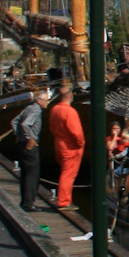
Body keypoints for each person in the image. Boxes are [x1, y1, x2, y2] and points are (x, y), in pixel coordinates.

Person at [47, 82, 85, 211]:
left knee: (64, 172)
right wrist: (81, 143)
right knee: (68, 174)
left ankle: (65, 199)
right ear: (69, 95)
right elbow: (76, 132)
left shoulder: (54, 109)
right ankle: (64, 201)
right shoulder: (69, 111)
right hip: (70, 146)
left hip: (58, 143)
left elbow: (51, 128)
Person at [13, 84, 51, 211]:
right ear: (39, 101)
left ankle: (25, 201)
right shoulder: (36, 110)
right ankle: (29, 204)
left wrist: (18, 135)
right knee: (32, 175)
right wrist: (30, 138)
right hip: (30, 145)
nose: (48, 103)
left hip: (22, 145)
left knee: (25, 173)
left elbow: (15, 121)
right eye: (46, 101)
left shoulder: (28, 107)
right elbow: (25, 124)